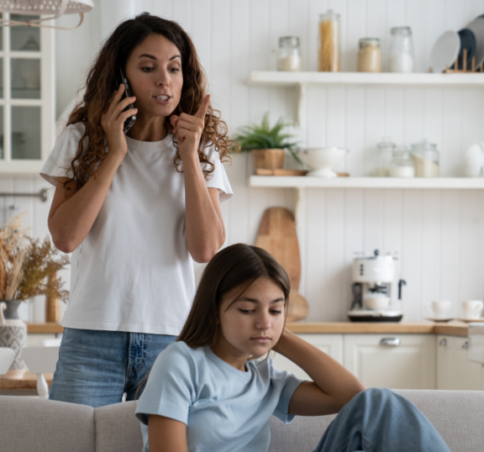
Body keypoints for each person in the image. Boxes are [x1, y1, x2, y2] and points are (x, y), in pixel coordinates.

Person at [39, 13, 233, 407]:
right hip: (92, 337)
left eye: (174, 68)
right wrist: (114, 154)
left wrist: (189, 157)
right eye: (148, 68)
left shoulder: (200, 149)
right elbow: (66, 238)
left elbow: (206, 249)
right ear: (121, 77)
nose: (164, 80)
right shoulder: (81, 140)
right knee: (71, 438)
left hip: (172, 339)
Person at [135, 244, 451, 452]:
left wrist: (277, 335)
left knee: (379, 402)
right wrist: (268, 326)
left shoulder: (265, 378)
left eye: (275, 309)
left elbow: (353, 397)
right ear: (214, 310)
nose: (263, 322)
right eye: (247, 310)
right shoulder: (181, 362)